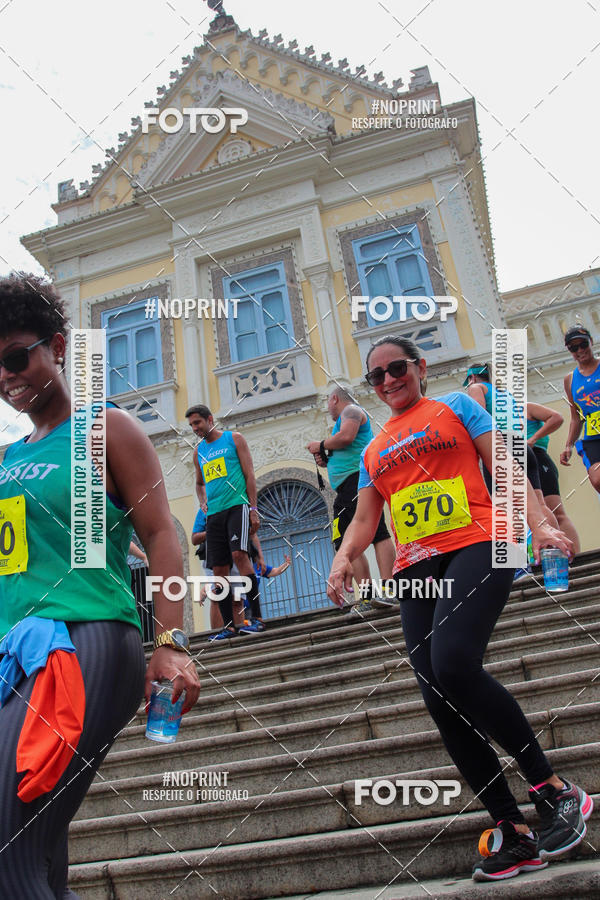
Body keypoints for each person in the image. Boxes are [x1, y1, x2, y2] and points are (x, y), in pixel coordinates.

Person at [327, 334, 592, 883]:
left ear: (419, 367)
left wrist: (540, 526)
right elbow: (362, 518)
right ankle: (512, 831)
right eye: (376, 377)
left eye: (396, 368)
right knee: (436, 694)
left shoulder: (455, 406)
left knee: (452, 664)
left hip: (482, 542)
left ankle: (553, 789)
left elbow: (506, 466)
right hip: (415, 568)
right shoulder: (375, 448)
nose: (388, 381)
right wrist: (343, 559)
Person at [0, 273, 200, 896]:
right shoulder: (7, 459)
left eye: (16, 356)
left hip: (84, 644)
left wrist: (170, 641)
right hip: (17, 657)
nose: (7, 377)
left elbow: (164, 535)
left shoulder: (106, 427)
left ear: (58, 346)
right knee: (38, 857)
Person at [307, 385, 396, 616]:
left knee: (375, 533)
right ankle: (369, 594)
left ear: (335, 398)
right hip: (347, 486)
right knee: (346, 540)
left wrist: (321, 445)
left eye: (328, 402)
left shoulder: (351, 411)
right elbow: (346, 444)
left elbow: (346, 437)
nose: (328, 408)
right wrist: (327, 459)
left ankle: (388, 588)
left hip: (359, 480)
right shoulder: (345, 418)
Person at [186, 404, 264, 639]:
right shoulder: (198, 452)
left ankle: (257, 618)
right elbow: (200, 483)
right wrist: (202, 502)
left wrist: (253, 508)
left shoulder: (234, 439)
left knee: (240, 555)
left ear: (210, 419)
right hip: (214, 515)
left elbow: (250, 474)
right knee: (219, 569)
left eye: (197, 423)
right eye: (191, 425)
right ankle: (229, 626)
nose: (195, 428)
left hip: (236, 506)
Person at [526, 401, 580, 552]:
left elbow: (556, 417)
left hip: (537, 457)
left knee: (555, 510)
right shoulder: (494, 415)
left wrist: (533, 439)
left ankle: (574, 557)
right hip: (517, 460)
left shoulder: (525, 407)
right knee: (532, 512)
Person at [560, 325, 600, 495]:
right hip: (592, 436)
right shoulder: (570, 379)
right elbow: (576, 417)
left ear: (591, 342)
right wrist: (568, 445)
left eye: (583, 345)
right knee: (597, 480)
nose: (580, 350)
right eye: (574, 348)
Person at [192, 506, 224, 631]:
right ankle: (217, 635)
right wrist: (212, 531)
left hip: (233, 553)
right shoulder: (205, 508)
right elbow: (194, 538)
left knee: (236, 597)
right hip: (212, 555)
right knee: (217, 595)